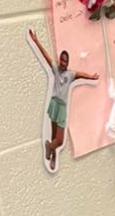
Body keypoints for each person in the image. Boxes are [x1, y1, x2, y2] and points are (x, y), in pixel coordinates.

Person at [28, 28, 98, 172]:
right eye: (62, 59)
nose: (63, 62)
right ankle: (53, 156)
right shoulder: (55, 68)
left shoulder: (70, 74)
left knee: (59, 140)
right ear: (60, 59)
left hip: (62, 107)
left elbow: (81, 74)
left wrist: (91, 77)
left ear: (68, 62)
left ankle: (49, 147)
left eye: (66, 61)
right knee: (54, 135)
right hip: (54, 103)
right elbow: (46, 56)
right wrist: (36, 41)